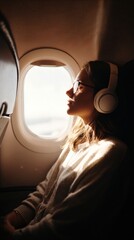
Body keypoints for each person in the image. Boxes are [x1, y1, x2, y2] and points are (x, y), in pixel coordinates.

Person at [0, 60, 130, 240]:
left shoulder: (110, 152)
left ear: (104, 98)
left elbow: (65, 227)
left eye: (79, 85)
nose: (69, 91)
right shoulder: (79, 141)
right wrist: (12, 218)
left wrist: (13, 236)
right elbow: (45, 190)